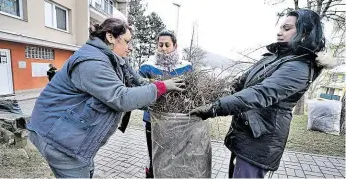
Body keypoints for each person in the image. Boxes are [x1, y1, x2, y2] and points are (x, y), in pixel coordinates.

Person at [27, 18, 185, 178]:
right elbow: (122, 98)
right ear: (110, 37)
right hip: (58, 139)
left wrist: (164, 101)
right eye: (127, 41)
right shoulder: (92, 62)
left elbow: (136, 84)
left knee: (87, 171)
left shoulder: (112, 59)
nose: (130, 48)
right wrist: (163, 86)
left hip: (70, 134)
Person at [190, 9, 335, 178]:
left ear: (305, 33)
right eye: (281, 28)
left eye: (287, 29)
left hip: (260, 140)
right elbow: (240, 83)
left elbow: (260, 93)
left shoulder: (299, 67)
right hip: (246, 134)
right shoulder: (274, 57)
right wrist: (208, 92)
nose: (279, 32)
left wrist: (214, 108)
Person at [138, 30, 192, 178]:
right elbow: (137, 87)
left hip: (177, 121)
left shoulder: (186, 67)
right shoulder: (147, 67)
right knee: (154, 155)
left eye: (167, 45)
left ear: (175, 46)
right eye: (160, 44)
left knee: (174, 156)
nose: (163, 48)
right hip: (152, 119)